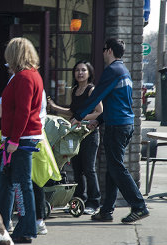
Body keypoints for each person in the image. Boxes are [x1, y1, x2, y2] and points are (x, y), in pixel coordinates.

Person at [71, 38, 150, 224]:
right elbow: (116, 102)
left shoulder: (112, 71)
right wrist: (99, 120)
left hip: (117, 127)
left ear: (109, 51)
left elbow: (97, 95)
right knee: (112, 169)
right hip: (124, 124)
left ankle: (139, 206)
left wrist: (79, 116)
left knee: (116, 167)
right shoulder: (124, 71)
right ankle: (106, 211)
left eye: (104, 49)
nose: (102, 53)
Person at [0, 37, 44, 243]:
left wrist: (14, 140)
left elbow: (23, 111)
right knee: (7, 183)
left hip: (21, 139)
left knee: (20, 185)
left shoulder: (24, 77)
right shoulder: (31, 75)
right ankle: (2, 224)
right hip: (19, 138)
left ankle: (25, 230)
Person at [48, 61, 102, 215]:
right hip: (77, 135)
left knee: (89, 169)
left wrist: (81, 118)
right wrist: (55, 107)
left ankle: (94, 202)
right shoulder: (75, 90)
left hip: (90, 134)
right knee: (77, 169)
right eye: (77, 70)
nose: (80, 73)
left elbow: (99, 111)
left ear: (89, 73)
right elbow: (72, 112)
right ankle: (80, 200)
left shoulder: (92, 90)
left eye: (83, 70)